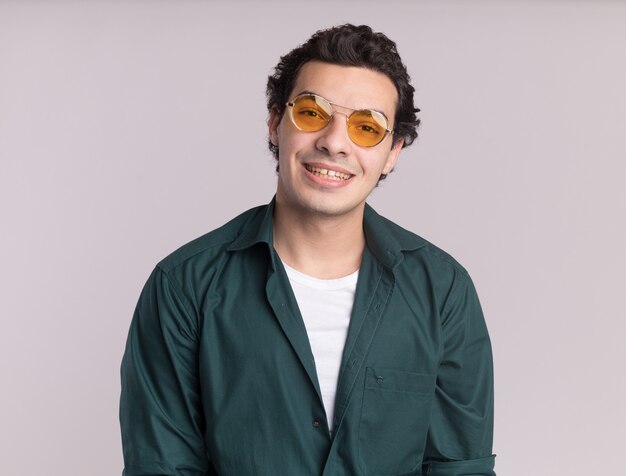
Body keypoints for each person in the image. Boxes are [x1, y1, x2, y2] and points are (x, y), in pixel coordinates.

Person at [120, 24, 496, 476]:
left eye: (366, 126)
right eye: (313, 114)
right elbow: (162, 467)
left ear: (393, 151)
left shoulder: (442, 291)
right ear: (275, 122)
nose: (334, 143)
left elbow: (461, 469)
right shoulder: (183, 286)